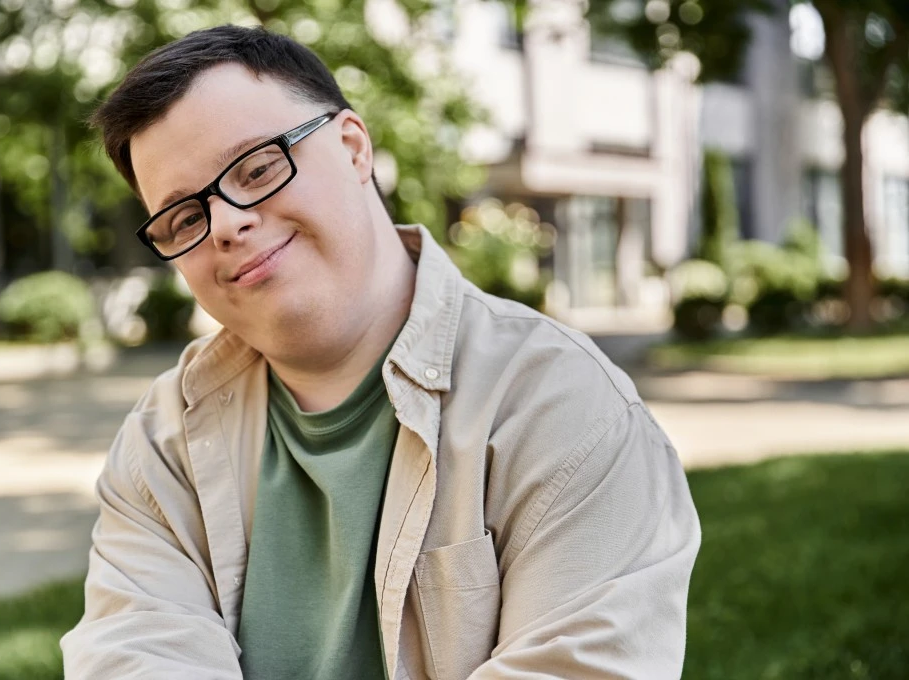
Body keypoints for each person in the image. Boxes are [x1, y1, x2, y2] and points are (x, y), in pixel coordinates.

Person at [60, 23, 701, 680]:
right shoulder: (163, 443)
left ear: (353, 147)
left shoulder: (563, 407)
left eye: (256, 169)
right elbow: (133, 659)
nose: (225, 224)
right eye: (185, 219)